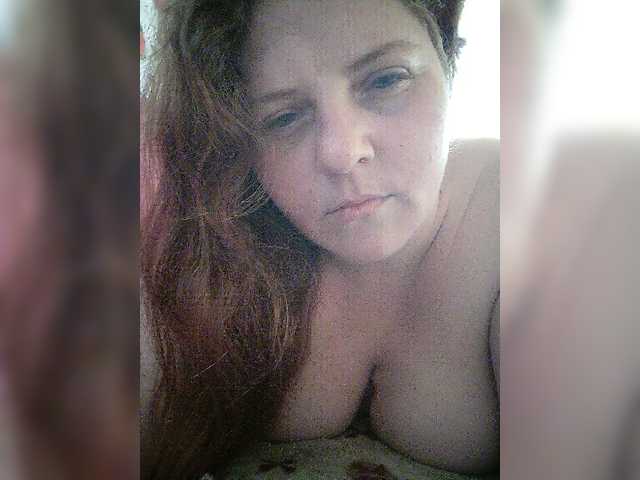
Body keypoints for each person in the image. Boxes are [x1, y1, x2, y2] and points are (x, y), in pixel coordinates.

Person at [140, 1, 499, 478]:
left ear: (446, 59)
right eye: (284, 117)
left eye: (386, 80)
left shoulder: (521, 203)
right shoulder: (222, 236)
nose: (341, 153)